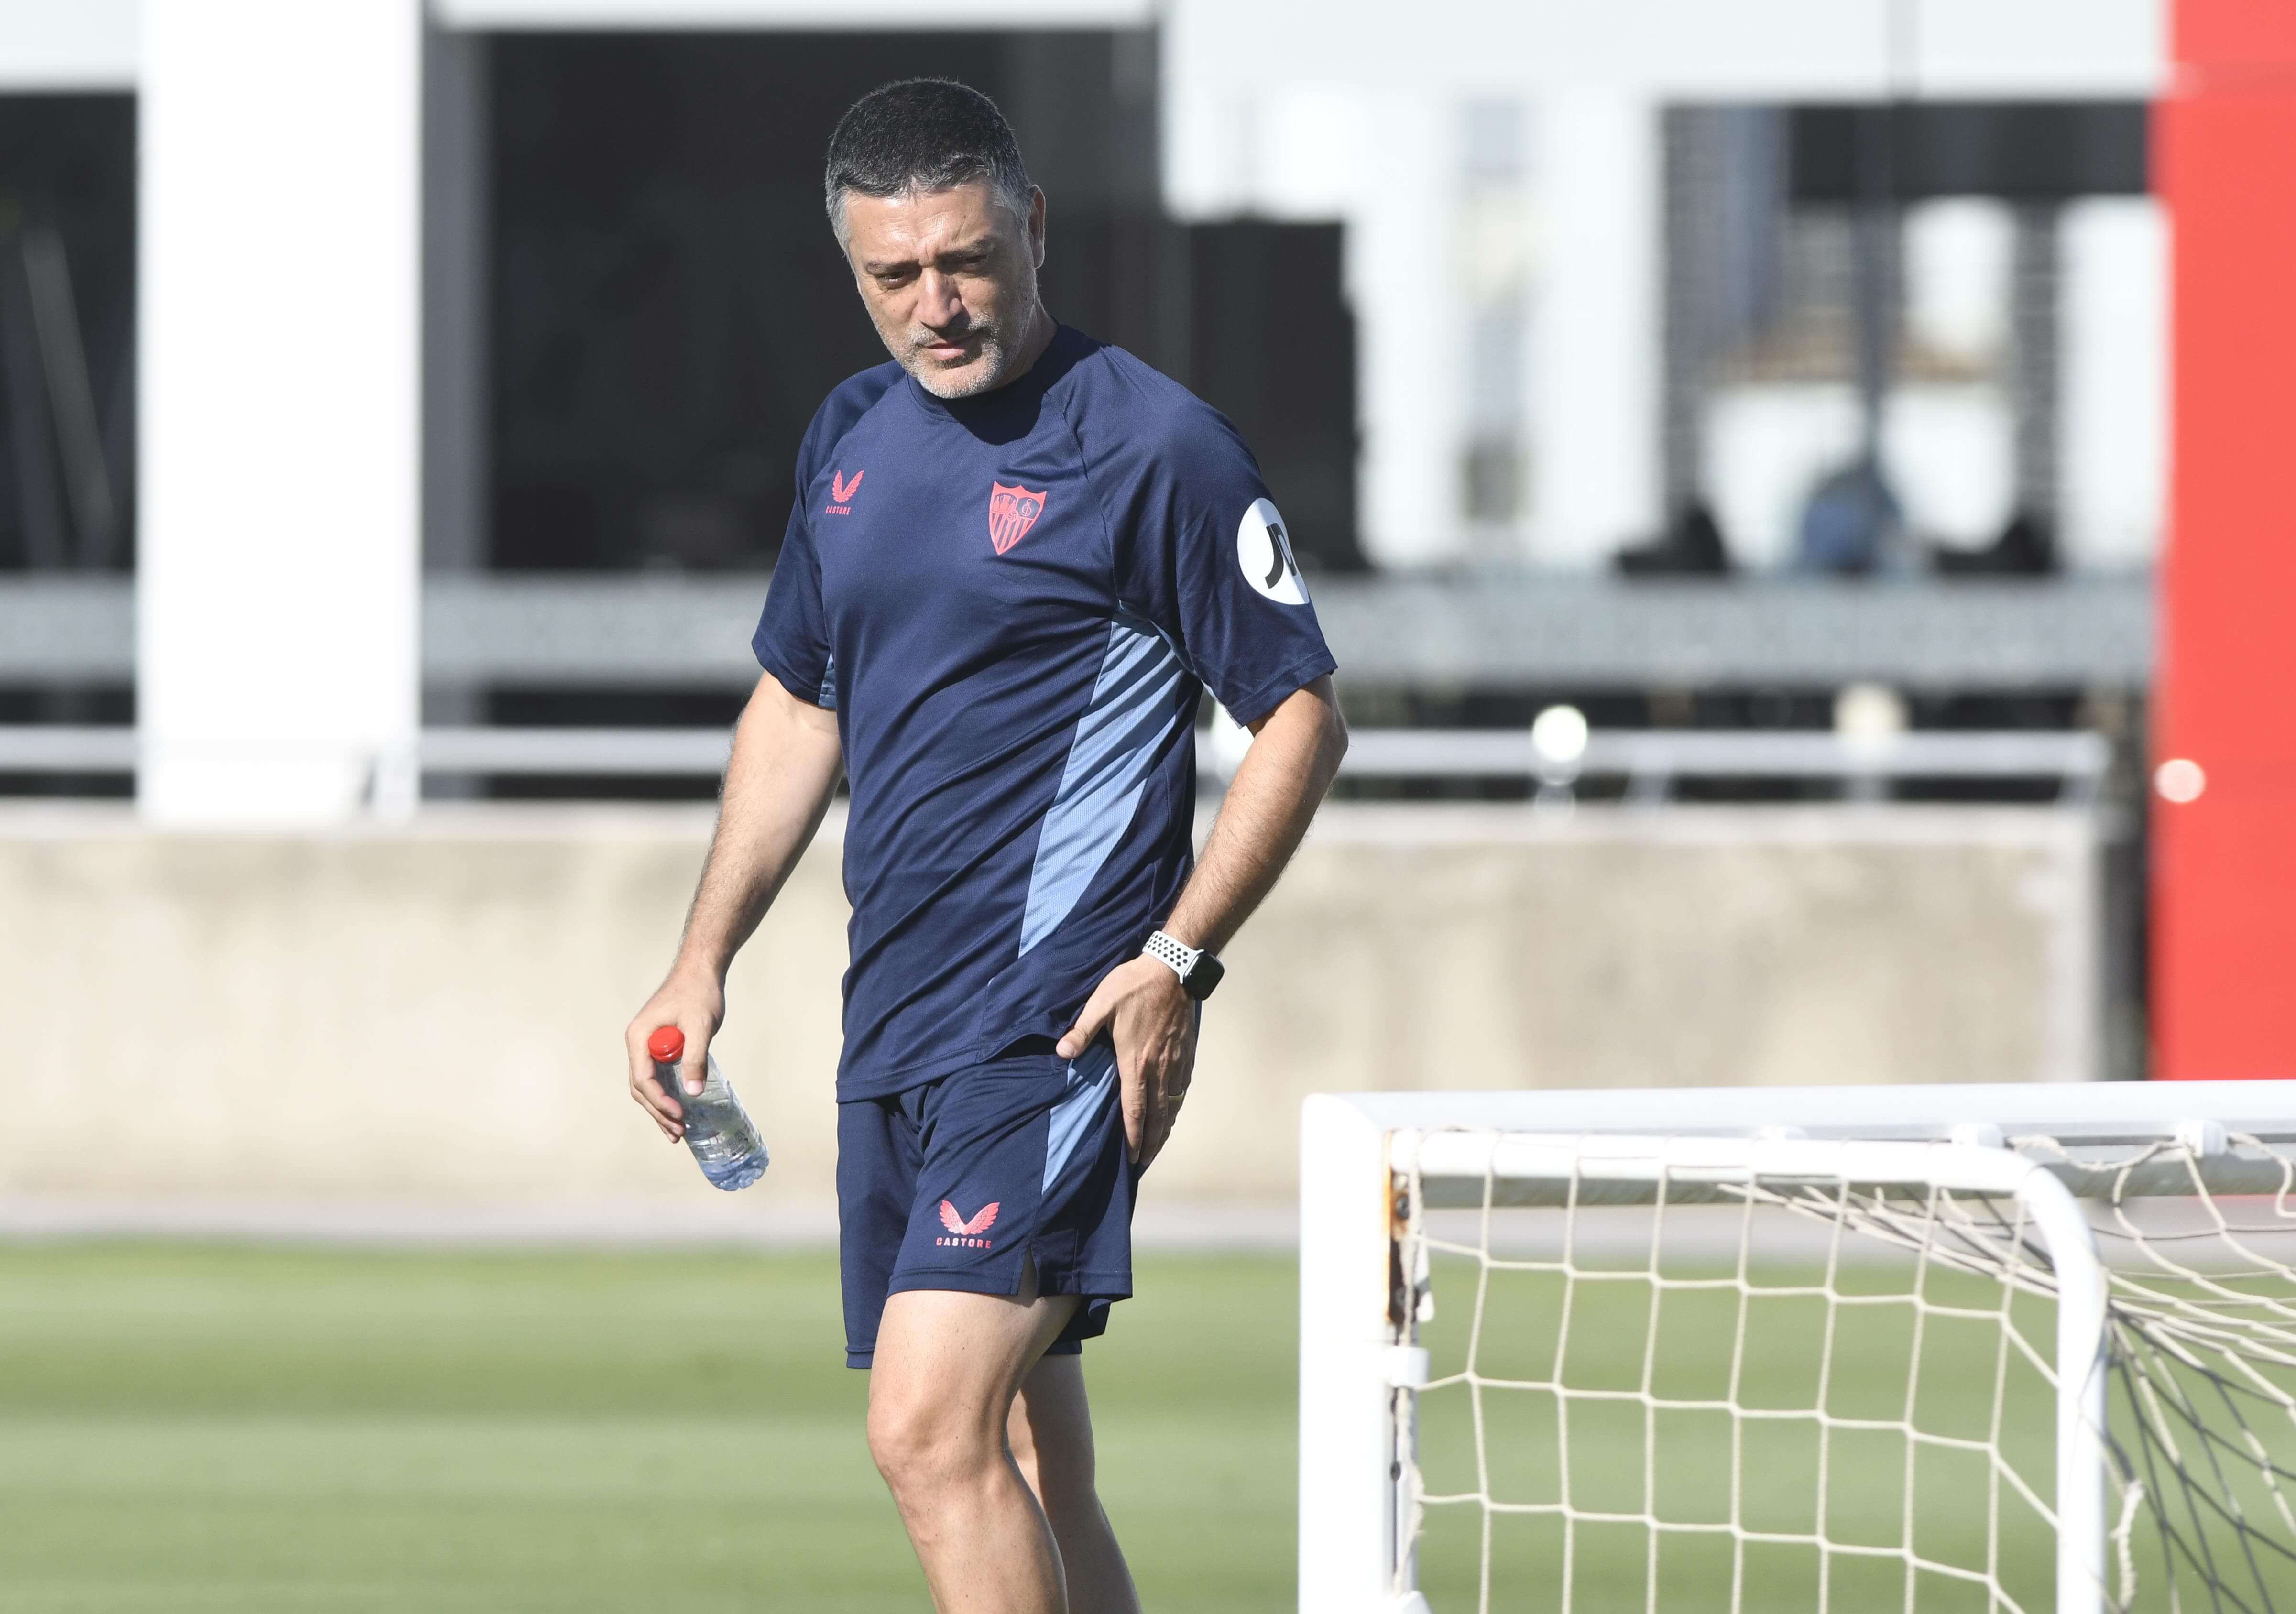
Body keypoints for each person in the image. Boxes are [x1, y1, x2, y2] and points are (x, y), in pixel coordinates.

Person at [623, 77, 1347, 1614]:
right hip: (892, 1030)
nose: (937, 305)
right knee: (1028, 1453)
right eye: (896, 275)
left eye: (967, 262)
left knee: (924, 1433)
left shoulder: (1158, 447)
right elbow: (796, 706)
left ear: (1030, 228)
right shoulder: (853, 434)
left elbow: (1298, 716)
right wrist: (701, 956)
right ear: (850, 269)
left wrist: (1173, 959)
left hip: (1052, 1032)